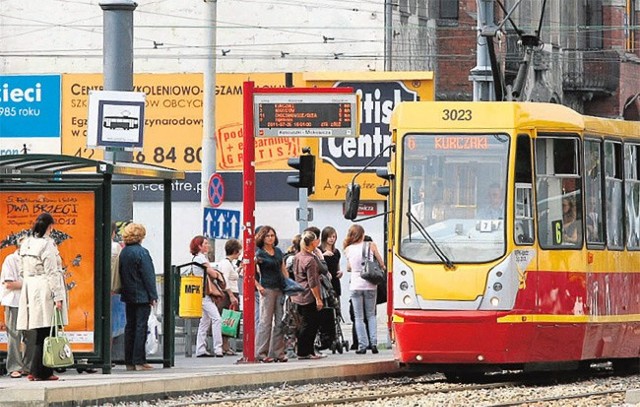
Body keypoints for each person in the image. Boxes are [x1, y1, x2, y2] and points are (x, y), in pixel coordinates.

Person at [16, 213, 69, 381]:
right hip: (46, 288)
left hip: (31, 287)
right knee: (47, 330)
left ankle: (37, 370)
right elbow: (52, 272)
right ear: (50, 226)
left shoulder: (25, 244)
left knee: (39, 331)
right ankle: (41, 371)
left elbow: (22, 270)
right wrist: (58, 297)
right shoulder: (47, 245)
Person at [119, 223, 158, 371]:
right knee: (141, 327)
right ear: (140, 236)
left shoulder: (124, 252)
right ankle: (139, 361)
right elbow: (148, 276)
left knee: (130, 326)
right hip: (141, 295)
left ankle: (129, 361)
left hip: (128, 294)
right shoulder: (142, 252)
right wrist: (153, 295)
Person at [1, 237, 35, 378]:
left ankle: (28, 366)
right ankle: (14, 366)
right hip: (14, 301)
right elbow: (9, 283)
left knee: (31, 335)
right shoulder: (10, 259)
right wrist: (29, 284)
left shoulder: (32, 260)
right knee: (14, 335)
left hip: (30, 301)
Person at [254, 226, 288, 363]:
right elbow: (249, 271)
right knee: (265, 322)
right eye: (267, 236)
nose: (270, 238)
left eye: (272, 235)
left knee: (279, 322)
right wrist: (258, 286)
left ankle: (278, 352)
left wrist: (288, 284)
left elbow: (283, 268)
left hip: (279, 288)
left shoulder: (278, 252)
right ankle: (261, 352)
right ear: (262, 237)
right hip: (267, 288)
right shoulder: (259, 253)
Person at [343, 225, 379, 355]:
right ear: (362, 234)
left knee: (359, 317)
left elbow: (348, 268)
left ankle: (362, 345)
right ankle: (374, 343)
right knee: (371, 315)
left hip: (355, 285)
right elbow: (381, 263)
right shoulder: (371, 246)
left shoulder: (348, 249)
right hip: (370, 284)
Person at [291, 230, 326, 360]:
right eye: (316, 240)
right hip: (308, 294)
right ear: (313, 243)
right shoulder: (310, 260)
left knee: (303, 323)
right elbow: (313, 281)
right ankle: (307, 351)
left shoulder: (297, 256)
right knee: (311, 324)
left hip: (297, 293)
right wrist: (318, 298)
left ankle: (302, 350)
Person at [189, 235, 224, 358]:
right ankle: (218, 348)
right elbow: (212, 273)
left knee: (205, 321)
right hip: (204, 294)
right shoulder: (201, 259)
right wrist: (218, 275)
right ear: (199, 246)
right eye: (205, 243)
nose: (208, 245)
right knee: (216, 318)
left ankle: (200, 348)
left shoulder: (196, 258)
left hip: (200, 293)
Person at [218, 238, 241, 356]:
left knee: (229, 320)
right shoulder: (227, 264)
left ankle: (224, 346)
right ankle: (224, 346)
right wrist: (231, 295)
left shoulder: (227, 263)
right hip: (229, 294)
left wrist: (239, 269)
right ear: (236, 251)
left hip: (229, 293)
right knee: (228, 320)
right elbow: (225, 280)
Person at [320, 226, 342, 300]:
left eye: (334, 237)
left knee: (336, 305)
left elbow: (337, 266)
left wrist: (340, 272)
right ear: (324, 237)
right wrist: (323, 255)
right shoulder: (319, 250)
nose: (332, 239)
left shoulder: (336, 252)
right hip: (323, 281)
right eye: (329, 237)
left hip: (335, 281)